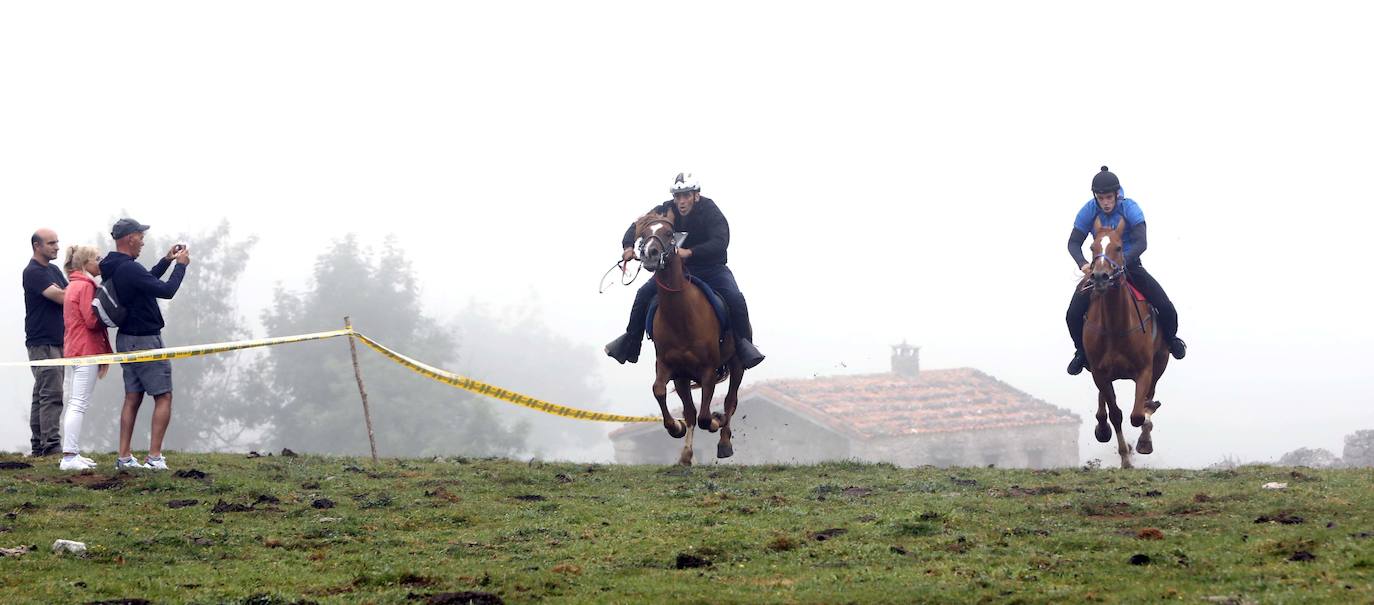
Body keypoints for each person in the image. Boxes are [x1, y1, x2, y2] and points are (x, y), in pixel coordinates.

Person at [605, 172, 765, 369]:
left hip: (712, 269)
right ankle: (631, 342)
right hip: (678, 271)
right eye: (678, 196)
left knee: (735, 298)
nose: (681, 201)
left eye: (686, 196)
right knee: (643, 294)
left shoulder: (710, 210)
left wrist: (689, 252)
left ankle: (743, 346)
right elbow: (638, 225)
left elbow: (720, 242)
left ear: (696, 196)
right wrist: (628, 247)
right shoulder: (666, 209)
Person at [1065, 166, 1187, 375]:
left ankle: (1171, 340)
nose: (1105, 202)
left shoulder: (1130, 208)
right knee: (1072, 313)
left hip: (1130, 266)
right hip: (1099, 272)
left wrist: (1122, 264)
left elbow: (1142, 242)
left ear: (1117, 194)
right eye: (1101, 198)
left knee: (1166, 306)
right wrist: (1083, 263)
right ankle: (1081, 352)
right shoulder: (1088, 210)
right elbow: (1073, 243)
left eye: (1109, 197)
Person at [98, 218, 190, 470]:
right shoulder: (129, 268)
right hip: (146, 339)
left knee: (132, 396)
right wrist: (181, 266)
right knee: (163, 395)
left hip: (126, 339)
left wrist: (166, 261)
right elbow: (166, 290)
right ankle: (155, 457)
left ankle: (125, 457)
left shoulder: (116, 266)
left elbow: (144, 282)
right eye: (140, 236)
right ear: (130, 238)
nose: (143, 241)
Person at [60, 245, 112, 471]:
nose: (100, 262)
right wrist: (109, 315)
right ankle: (69, 456)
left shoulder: (73, 284)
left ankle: (72, 453)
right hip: (86, 349)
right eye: (97, 259)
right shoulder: (85, 286)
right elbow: (91, 320)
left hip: (76, 348)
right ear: (85, 263)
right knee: (78, 403)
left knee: (76, 402)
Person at [23, 228, 68, 458]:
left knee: (41, 394)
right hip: (42, 342)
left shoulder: (54, 270)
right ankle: (50, 445)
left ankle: (39, 445)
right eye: (51, 243)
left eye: (57, 242)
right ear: (37, 246)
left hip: (56, 340)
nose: (57, 247)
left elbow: (67, 292)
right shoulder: (33, 272)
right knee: (51, 393)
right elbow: (62, 297)